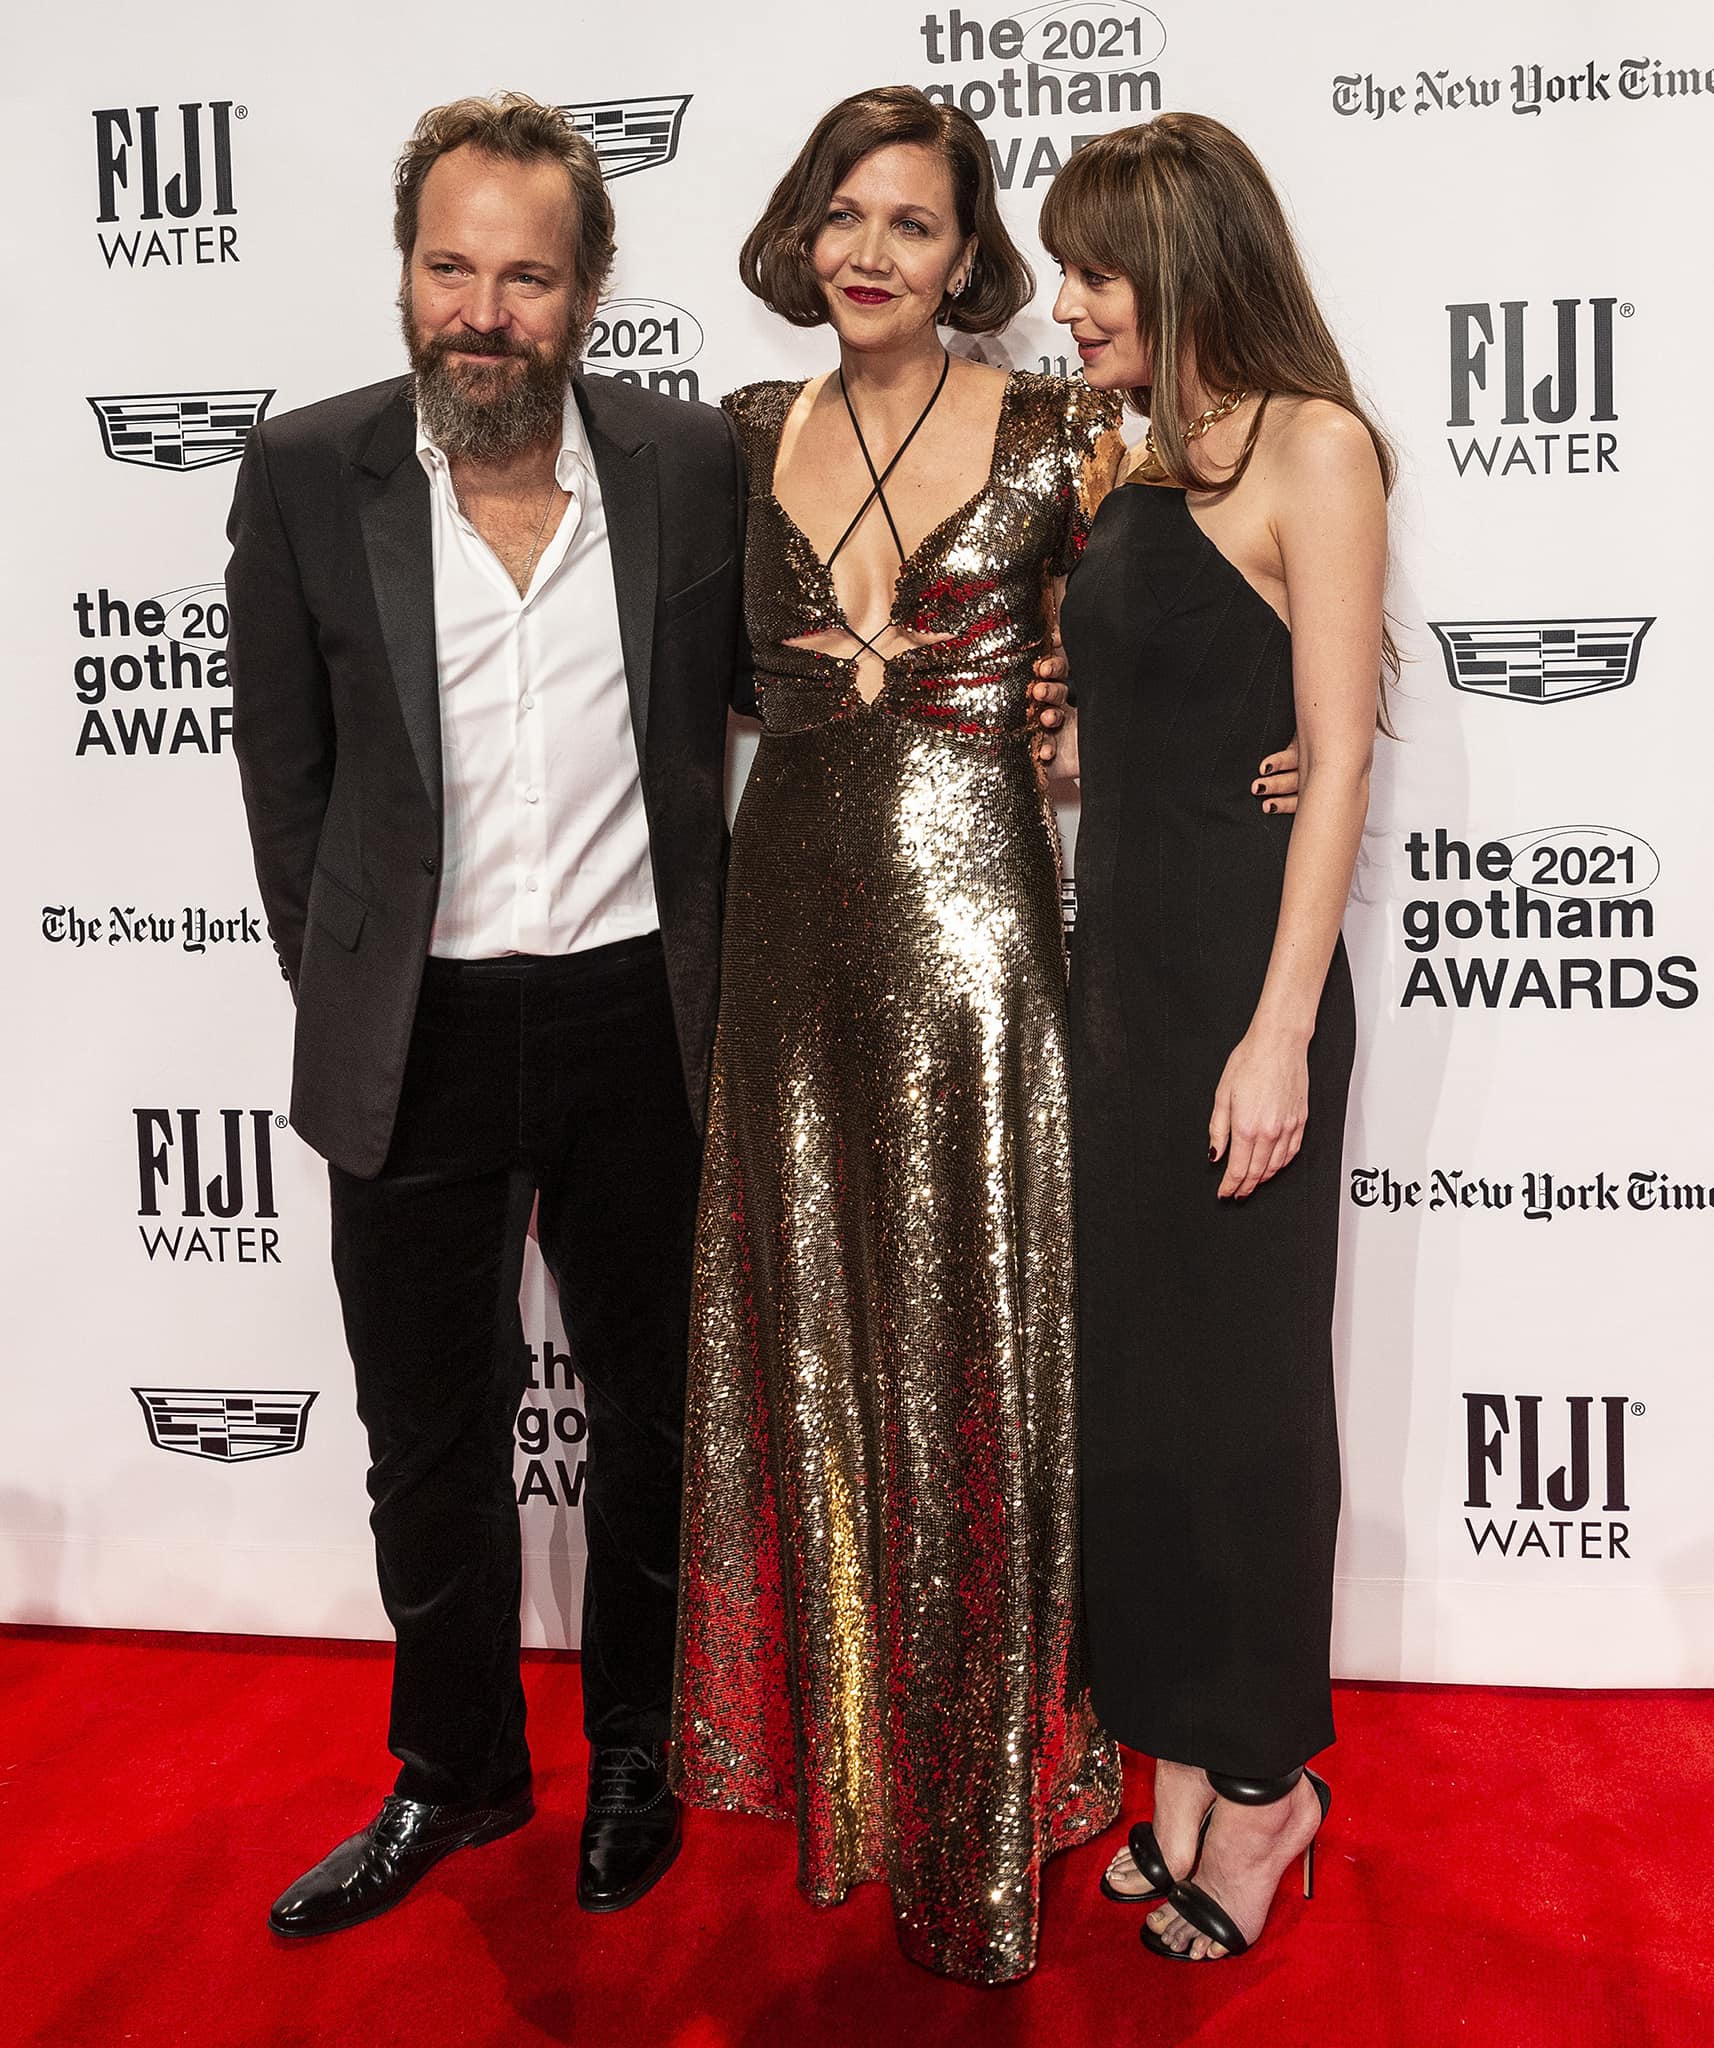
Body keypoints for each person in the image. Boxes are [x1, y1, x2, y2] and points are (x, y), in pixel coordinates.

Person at [668, 86, 1286, 1986]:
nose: (871, 251)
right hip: (784, 956)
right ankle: (854, 1774)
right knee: (825, 1353)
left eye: (913, 224)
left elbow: (1206, 596)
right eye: (844, 214)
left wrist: (1258, 761)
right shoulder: (738, 434)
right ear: (800, 230)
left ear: (968, 255)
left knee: (980, 1366)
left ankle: (1000, 1786)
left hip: (988, 964)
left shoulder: (1063, 428)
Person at [227, 92, 748, 1935]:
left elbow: (823, 698)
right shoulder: (305, 474)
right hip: (418, 1035)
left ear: (587, 289)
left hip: (641, 1022)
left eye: (526, 276)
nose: (483, 310)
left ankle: (635, 1752)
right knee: (423, 1439)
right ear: (404, 275)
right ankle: (451, 1772)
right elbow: (282, 783)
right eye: (450, 267)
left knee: (655, 1429)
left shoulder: (695, 468)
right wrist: (349, 987)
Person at [1041, 113, 1390, 1962]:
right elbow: (1151, 722)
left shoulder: (1314, 449)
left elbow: (1330, 751)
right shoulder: (1131, 463)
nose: (1066, 300)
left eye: (1094, 269)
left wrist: (1276, 1037)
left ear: (1181, 265)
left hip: (1241, 995)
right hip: (1121, 981)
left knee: (1245, 1400)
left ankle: (1264, 1791)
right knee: (1142, 1399)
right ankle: (1166, 1741)